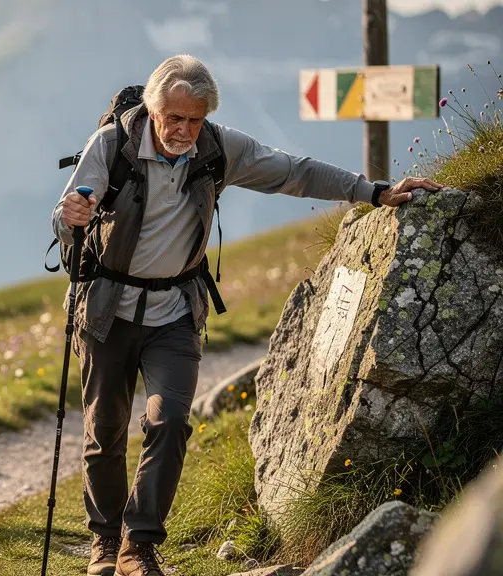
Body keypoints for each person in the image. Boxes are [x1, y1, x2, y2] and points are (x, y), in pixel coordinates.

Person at [51, 54, 441, 576]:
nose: (185, 130)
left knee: (168, 423)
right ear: (152, 109)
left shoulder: (218, 149)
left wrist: (374, 191)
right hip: (107, 312)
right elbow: (69, 215)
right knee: (106, 429)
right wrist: (69, 215)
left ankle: (137, 547)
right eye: (174, 118)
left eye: (195, 119)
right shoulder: (112, 147)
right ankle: (104, 542)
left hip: (173, 312)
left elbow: (294, 173)